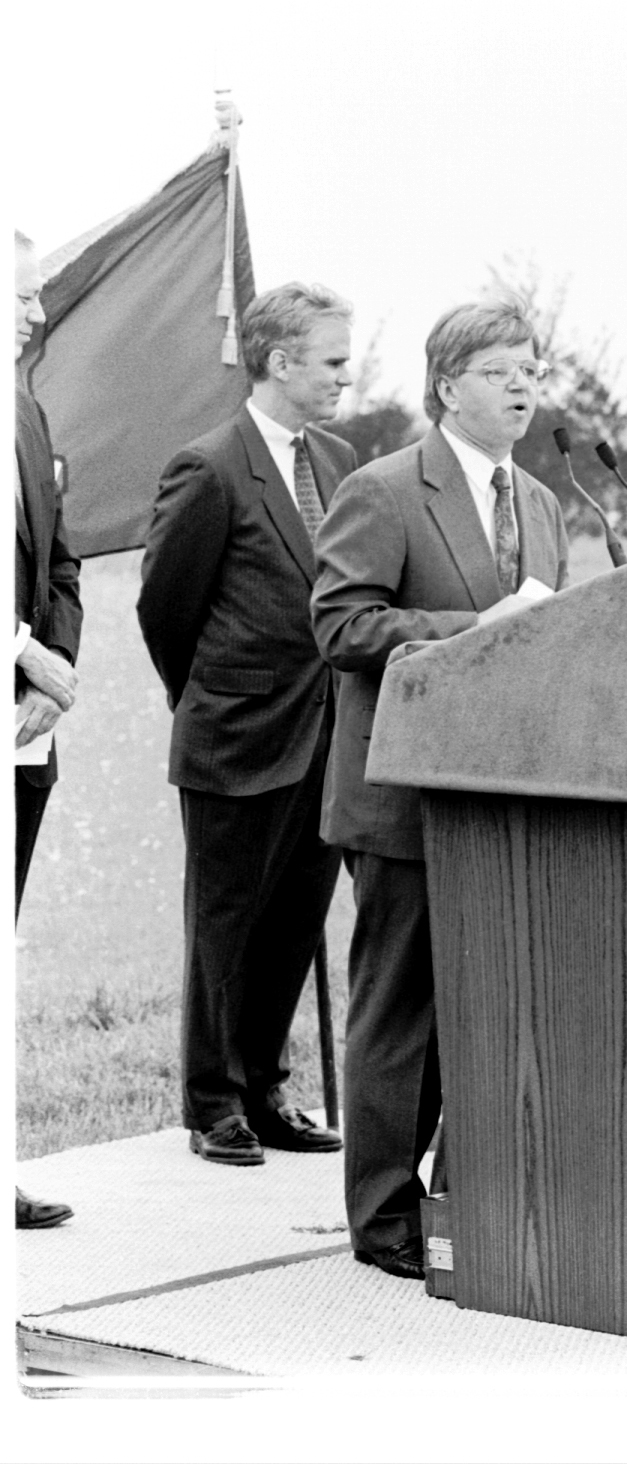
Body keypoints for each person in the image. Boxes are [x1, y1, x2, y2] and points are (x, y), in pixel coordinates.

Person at [311, 295, 569, 1279]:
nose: (522, 389)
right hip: (404, 796)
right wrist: (466, 629)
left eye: (533, 372)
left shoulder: (541, 504)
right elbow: (339, 628)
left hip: (508, 801)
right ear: (447, 383)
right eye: (501, 371)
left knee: (488, 1014)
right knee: (400, 1011)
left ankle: (465, 1201)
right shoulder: (384, 490)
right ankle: (383, 1223)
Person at [137, 282, 357, 1166]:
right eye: (334, 360)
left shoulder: (338, 462)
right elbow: (166, 610)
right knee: (224, 926)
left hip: (329, 738)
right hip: (236, 738)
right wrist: (213, 701)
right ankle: (212, 1103)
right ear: (278, 362)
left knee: (296, 923)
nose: (347, 374)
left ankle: (265, 1091)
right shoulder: (210, 466)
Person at [14, 230, 83, 1229]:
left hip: (23, 735)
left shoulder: (24, 412)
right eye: (19, 294)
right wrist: (21, 650)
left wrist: (52, 677)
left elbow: (60, 559)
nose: (34, 313)